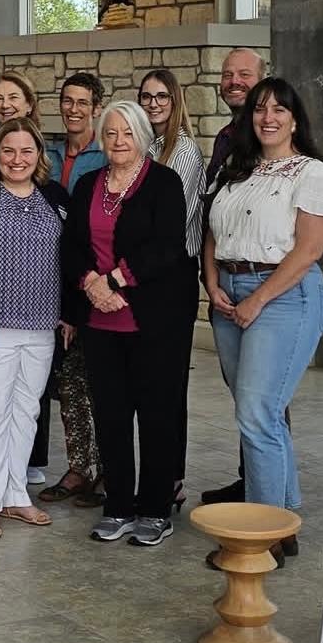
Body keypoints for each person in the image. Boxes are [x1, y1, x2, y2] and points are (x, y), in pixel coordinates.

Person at [204, 78, 323, 564]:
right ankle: (283, 519)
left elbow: (309, 250)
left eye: (278, 110)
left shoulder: (312, 173)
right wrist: (212, 283)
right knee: (260, 413)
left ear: (294, 119)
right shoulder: (234, 169)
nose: (268, 117)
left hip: (284, 297)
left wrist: (258, 299)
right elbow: (211, 232)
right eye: (260, 109)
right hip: (230, 292)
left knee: (257, 413)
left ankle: (260, 537)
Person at [62, 101, 190, 547]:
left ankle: (155, 509)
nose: (119, 141)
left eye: (127, 133)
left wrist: (116, 279)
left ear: (142, 136)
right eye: (111, 133)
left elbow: (166, 245)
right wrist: (91, 284)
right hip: (99, 321)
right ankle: (117, 505)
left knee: (156, 417)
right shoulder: (86, 185)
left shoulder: (164, 182)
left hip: (154, 319)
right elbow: (73, 245)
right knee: (111, 418)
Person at [0, 118, 71, 539]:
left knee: (28, 411)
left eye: (26, 151)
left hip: (42, 326)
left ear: (40, 155)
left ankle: (16, 495)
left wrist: (68, 314)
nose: (17, 160)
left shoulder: (55, 196)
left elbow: (71, 258)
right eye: (8, 151)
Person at [201, 46, 269, 505]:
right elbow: (214, 215)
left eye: (244, 74)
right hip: (225, 279)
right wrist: (211, 280)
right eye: (228, 75)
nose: (234, 81)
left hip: (265, 285)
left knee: (264, 397)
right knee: (244, 392)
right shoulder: (226, 137)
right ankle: (253, 482)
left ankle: (271, 505)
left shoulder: (273, 135)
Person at [139, 69, 207, 508]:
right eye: (146, 96)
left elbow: (168, 222)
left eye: (162, 96)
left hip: (171, 272)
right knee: (142, 382)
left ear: (175, 100)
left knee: (166, 384)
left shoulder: (183, 151)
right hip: (138, 274)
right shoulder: (139, 144)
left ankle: (171, 478)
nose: (154, 103)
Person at [39, 72, 107, 508]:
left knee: (101, 382)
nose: (74, 109)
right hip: (48, 281)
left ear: (96, 108)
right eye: (68, 101)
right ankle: (80, 467)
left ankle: (107, 468)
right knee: (68, 382)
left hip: (94, 281)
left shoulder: (105, 156)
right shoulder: (47, 153)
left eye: (83, 102)